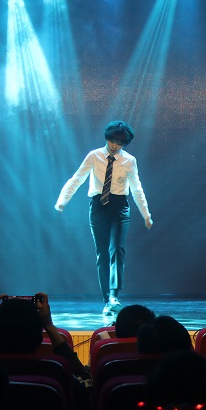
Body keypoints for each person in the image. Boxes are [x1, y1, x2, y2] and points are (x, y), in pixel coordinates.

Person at [55, 120, 153, 317]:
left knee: (117, 249)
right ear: (107, 138)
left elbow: (137, 188)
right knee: (102, 254)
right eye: (112, 140)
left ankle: (114, 296)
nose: (115, 145)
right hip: (98, 206)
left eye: (119, 142)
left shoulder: (129, 160)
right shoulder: (94, 156)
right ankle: (106, 299)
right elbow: (77, 178)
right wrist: (62, 200)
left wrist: (146, 214)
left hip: (120, 207)